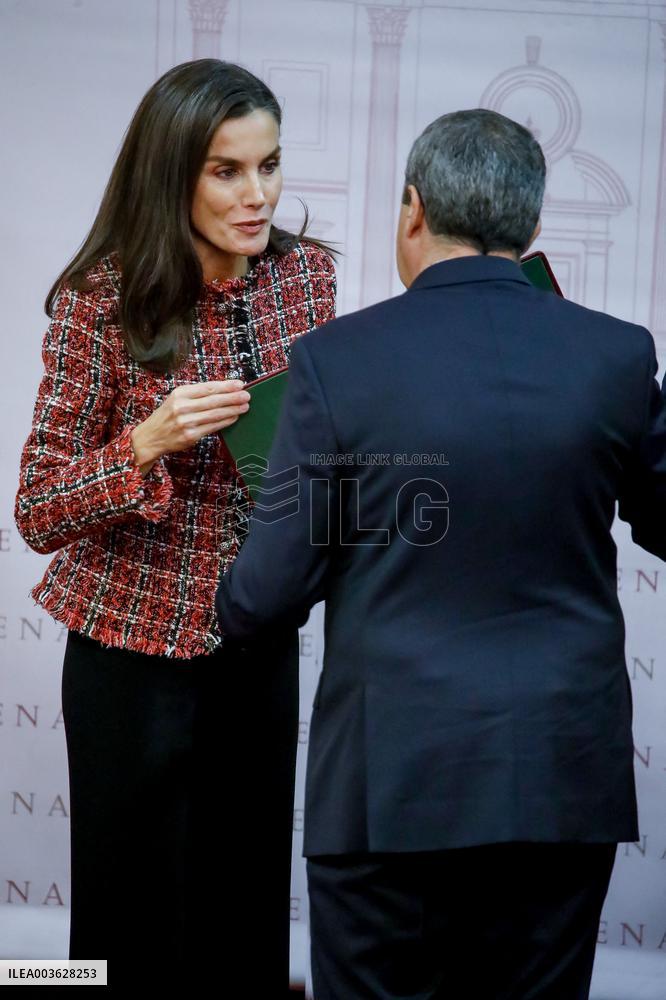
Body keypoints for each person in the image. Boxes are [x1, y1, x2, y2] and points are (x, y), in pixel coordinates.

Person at [217, 108, 666, 999]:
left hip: (390, 790)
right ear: (532, 227)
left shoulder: (336, 361)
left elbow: (263, 596)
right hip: (561, 782)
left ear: (412, 211)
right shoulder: (617, 357)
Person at [14, 59, 336, 989]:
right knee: (129, 913)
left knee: (244, 904)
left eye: (269, 165)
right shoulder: (99, 298)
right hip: (128, 654)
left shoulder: (305, 280)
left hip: (255, 639)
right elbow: (37, 508)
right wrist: (144, 442)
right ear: (172, 173)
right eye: (226, 171)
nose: (257, 194)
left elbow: (310, 453)